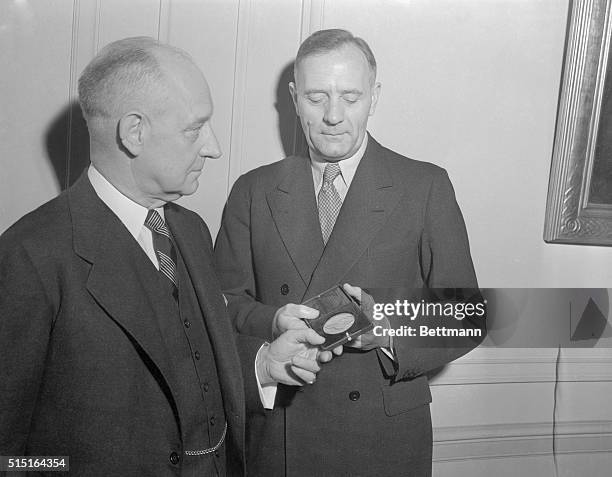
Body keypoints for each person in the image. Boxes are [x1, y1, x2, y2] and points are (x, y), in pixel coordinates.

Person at [0, 36, 332, 476]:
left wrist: (263, 367)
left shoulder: (190, 229)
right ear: (134, 132)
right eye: (195, 128)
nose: (213, 146)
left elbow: (193, 366)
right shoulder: (30, 255)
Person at [214, 29, 485, 476]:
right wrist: (275, 320)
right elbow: (222, 305)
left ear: (374, 97)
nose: (333, 116)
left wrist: (389, 326)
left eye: (351, 97)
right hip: (282, 431)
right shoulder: (253, 190)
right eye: (316, 97)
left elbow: (466, 314)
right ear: (294, 97)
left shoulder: (425, 186)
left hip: (382, 439)